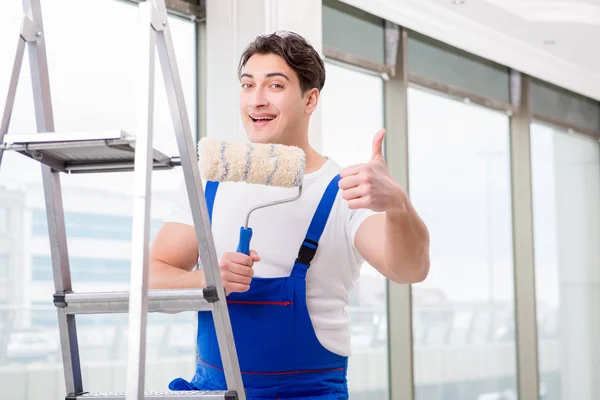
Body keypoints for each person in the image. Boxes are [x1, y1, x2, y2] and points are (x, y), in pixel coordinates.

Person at [149, 30, 430, 400]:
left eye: (275, 85)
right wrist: (208, 279)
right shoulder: (210, 183)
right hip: (214, 392)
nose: (257, 100)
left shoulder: (343, 190)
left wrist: (397, 204)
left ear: (310, 99)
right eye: (248, 85)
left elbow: (409, 269)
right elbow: (152, 279)